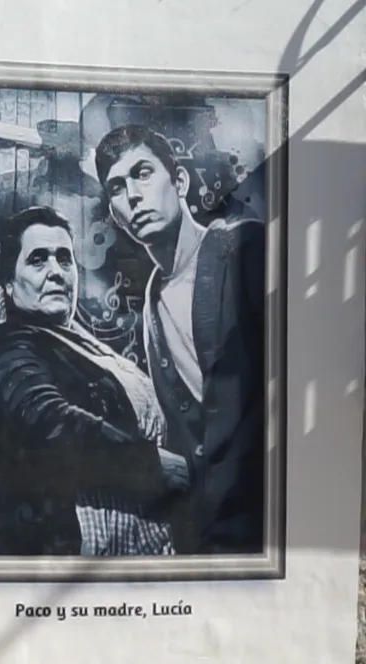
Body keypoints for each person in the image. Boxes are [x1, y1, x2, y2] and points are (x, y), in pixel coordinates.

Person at [0, 205, 188, 555]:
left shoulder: (83, 344)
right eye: (38, 260)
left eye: (64, 259)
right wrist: (148, 465)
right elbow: (49, 424)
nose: (56, 272)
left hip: (146, 537)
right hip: (66, 554)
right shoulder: (9, 351)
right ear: (9, 282)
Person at [93, 124, 266, 554]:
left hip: (269, 514)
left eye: (143, 174)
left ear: (181, 182)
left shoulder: (244, 249)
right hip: (211, 528)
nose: (132, 195)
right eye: (117, 187)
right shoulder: (151, 302)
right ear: (113, 211)